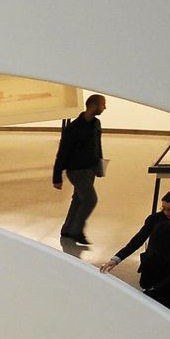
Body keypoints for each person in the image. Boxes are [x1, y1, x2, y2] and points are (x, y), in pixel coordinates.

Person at [99, 189, 170, 319]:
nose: (167, 213)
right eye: (164, 208)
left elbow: (145, 284)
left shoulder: (151, 261)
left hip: (158, 305)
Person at [52, 93, 107, 248]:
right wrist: (57, 176)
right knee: (90, 199)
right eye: (103, 104)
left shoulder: (96, 123)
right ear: (94, 105)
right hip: (76, 171)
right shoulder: (73, 128)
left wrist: (100, 165)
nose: (105, 108)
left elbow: (98, 145)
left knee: (78, 199)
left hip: (90, 169)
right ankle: (77, 230)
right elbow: (62, 153)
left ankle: (67, 229)